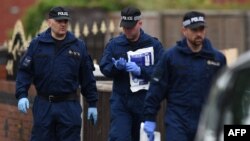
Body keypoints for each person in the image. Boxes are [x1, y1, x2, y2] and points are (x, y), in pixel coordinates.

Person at [15, 6, 98, 141]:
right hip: (44, 105)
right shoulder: (37, 45)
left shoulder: (78, 46)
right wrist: (21, 94)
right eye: (59, 21)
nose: (63, 24)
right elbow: (24, 72)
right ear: (49, 22)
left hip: (68, 106)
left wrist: (93, 104)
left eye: (65, 21)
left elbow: (87, 78)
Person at [143, 11, 227, 141]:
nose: (199, 33)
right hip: (177, 122)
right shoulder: (170, 57)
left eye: (201, 29)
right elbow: (157, 87)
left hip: (206, 122)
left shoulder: (217, 59)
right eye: (194, 30)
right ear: (184, 30)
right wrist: (149, 117)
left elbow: (226, 92)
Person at [99, 6, 164, 141]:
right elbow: (105, 67)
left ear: (140, 23)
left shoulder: (153, 45)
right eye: (125, 27)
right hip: (121, 101)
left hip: (144, 101)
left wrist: (141, 71)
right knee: (119, 137)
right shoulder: (114, 45)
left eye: (131, 27)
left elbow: (162, 72)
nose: (127, 30)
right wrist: (116, 67)